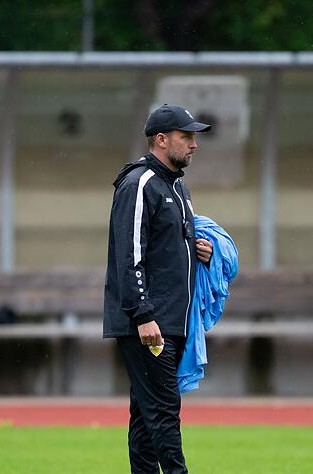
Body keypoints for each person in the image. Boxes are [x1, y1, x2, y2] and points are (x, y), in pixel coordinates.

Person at [103, 104, 214, 474]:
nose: (194, 144)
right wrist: (143, 315)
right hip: (149, 325)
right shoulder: (140, 183)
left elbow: (169, 246)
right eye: (187, 136)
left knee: (146, 420)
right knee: (165, 414)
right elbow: (128, 253)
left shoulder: (177, 185)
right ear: (162, 140)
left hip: (170, 321)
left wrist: (203, 249)